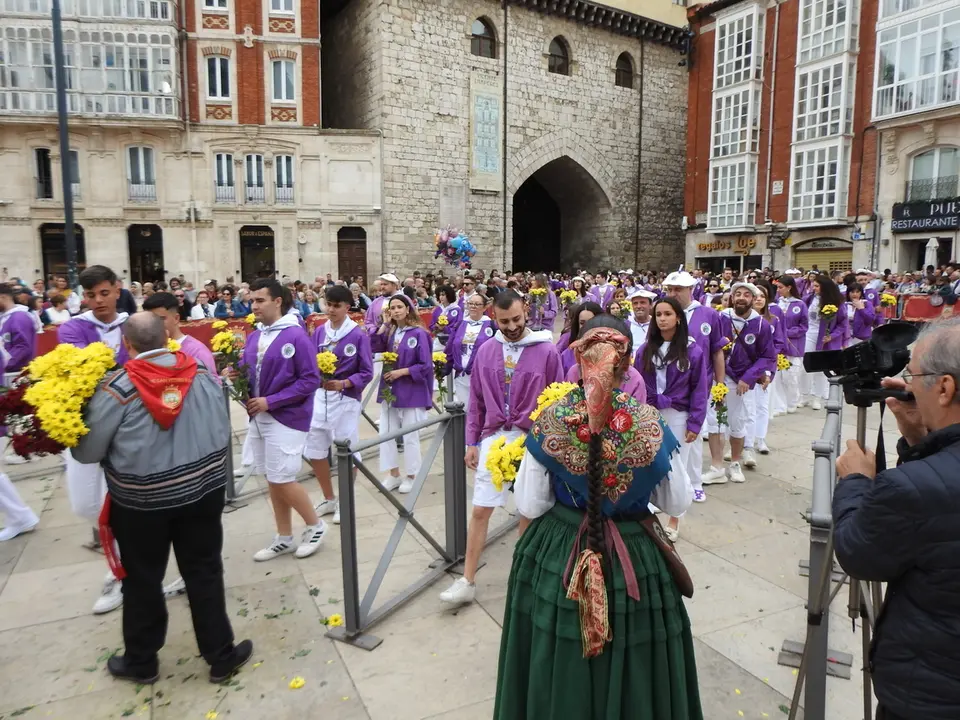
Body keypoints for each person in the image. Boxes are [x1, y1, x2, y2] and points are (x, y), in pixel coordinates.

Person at [496, 315, 701, 719]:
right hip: (633, 559)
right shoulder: (648, 423)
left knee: (557, 650)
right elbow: (677, 501)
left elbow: (531, 505)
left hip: (560, 553)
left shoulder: (552, 419)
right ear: (627, 362)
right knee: (637, 656)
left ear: (578, 358)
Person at [72, 312, 253, 684]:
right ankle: (221, 655)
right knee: (204, 570)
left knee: (142, 578)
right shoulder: (200, 374)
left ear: (127, 344)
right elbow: (223, 429)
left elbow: (88, 452)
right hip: (202, 493)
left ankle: (142, 662)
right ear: (166, 337)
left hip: (143, 503)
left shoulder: (117, 388)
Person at [833, 318, 960, 720]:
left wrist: (855, 481)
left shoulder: (911, 488)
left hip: (930, 694)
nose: (908, 385)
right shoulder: (928, 479)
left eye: (913, 376)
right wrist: (920, 438)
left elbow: (858, 553)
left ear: (944, 388)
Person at [440, 291, 563, 605]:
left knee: (528, 510)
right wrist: (472, 442)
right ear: (493, 316)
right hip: (494, 438)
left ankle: (522, 579)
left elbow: (558, 400)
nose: (511, 327)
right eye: (504, 321)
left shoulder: (546, 351)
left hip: (531, 439)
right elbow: (477, 401)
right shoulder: (486, 350)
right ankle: (467, 580)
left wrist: (552, 445)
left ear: (526, 313)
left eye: (516, 319)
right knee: (480, 509)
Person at [235, 279, 326, 561]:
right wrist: (235, 374)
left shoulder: (296, 335)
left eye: (260, 300)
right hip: (259, 416)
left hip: (287, 416)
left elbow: (310, 379)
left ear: (277, 301)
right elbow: (249, 370)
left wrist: (271, 401)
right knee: (272, 479)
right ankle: (284, 536)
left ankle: (315, 525)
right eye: (252, 300)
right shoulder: (255, 336)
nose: (254, 306)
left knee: (283, 478)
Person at [304, 285, 373, 525]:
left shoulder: (357, 335)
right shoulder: (319, 332)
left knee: (346, 449)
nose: (331, 310)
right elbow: (309, 363)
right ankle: (328, 497)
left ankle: (345, 500)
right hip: (320, 398)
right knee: (315, 449)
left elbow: (367, 372)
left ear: (347, 307)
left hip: (345, 399)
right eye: (328, 305)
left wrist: (344, 383)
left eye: (336, 306)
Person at [637, 295, 709, 520]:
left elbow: (699, 389)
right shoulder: (645, 350)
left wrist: (695, 423)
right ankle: (650, 508)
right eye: (658, 314)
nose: (662, 319)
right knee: (651, 462)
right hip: (651, 413)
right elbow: (638, 384)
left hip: (679, 415)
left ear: (678, 318)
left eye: (667, 314)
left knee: (678, 467)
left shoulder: (692, 351)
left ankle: (676, 519)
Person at [703, 282, 776, 484]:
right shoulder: (720, 317)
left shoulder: (761, 325)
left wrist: (749, 377)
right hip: (718, 377)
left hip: (741, 381)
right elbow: (708, 344)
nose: (741, 297)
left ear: (753, 299)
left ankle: (735, 463)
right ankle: (717, 466)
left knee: (737, 422)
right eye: (738, 294)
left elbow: (767, 356)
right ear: (732, 298)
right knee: (715, 421)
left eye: (746, 295)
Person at [663, 271, 725, 498]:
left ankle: (694, 483)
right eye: (670, 289)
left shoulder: (709, 314)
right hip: (671, 387)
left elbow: (717, 351)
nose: (673, 293)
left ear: (691, 289)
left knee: (695, 433)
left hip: (700, 385)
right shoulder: (664, 313)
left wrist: (720, 385)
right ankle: (669, 485)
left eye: (678, 289)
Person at [370, 294, 433, 493]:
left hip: (411, 388)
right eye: (392, 308)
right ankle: (393, 474)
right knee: (387, 433)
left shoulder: (419, 333)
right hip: (390, 388)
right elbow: (373, 345)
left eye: (399, 307)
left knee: (410, 435)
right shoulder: (391, 332)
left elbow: (425, 364)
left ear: (407, 309)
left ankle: (412, 475)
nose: (396, 311)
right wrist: (384, 325)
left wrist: (402, 372)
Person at [0, 283, 42, 535]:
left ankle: (26, 449)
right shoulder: (9, 317)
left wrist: (7, 363)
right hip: (8, 374)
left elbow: (22, 347)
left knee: (24, 416)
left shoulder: (18, 317)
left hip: (15, 373)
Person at [801, 274, 849, 411]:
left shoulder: (837, 302)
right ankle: (804, 395)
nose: (814, 288)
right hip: (808, 334)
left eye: (817, 286)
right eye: (813, 285)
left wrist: (832, 336)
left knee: (821, 368)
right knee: (805, 366)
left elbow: (842, 324)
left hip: (824, 338)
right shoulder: (808, 299)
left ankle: (817, 397)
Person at [142, 293, 218, 379]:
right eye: (150, 320)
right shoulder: (146, 350)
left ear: (176, 318)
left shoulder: (196, 351)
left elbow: (211, 384)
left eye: (161, 319)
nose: (155, 324)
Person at [444, 293, 494, 410]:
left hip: (482, 377)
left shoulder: (492, 325)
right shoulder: (461, 324)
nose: (473, 306)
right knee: (466, 410)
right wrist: (444, 366)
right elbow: (451, 347)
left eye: (477, 304)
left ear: (485, 307)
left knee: (481, 410)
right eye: (470, 303)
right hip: (461, 376)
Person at [774, 275, 808, 412]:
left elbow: (804, 326)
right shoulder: (777, 303)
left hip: (794, 344)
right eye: (777, 287)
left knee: (792, 376)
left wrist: (787, 333)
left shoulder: (800, 304)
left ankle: (793, 401)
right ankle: (781, 404)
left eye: (780, 287)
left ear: (789, 287)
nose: (778, 290)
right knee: (779, 376)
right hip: (779, 344)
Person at [560, 302, 602, 375]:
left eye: (591, 322)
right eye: (582, 323)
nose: (587, 326)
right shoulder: (566, 355)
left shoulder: (611, 352)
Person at [843, 282, 876, 347]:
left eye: (857, 292)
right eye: (852, 292)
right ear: (848, 293)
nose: (855, 294)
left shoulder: (867, 303)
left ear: (861, 293)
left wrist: (861, 309)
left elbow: (870, 320)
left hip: (862, 338)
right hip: (846, 338)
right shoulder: (844, 305)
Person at [430, 285, 461, 352]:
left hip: (452, 340)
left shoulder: (457, 310)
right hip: (438, 340)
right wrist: (436, 328)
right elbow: (431, 324)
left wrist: (445, 328)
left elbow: (459, 327)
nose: (441, 297)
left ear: (449, 295)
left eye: (443, 295)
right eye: (440, 295)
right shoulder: (437, 309)